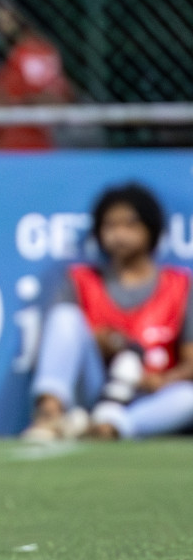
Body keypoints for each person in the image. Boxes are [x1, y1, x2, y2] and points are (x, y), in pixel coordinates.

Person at [23, 183, 193, 441]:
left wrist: (160, 380)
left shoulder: (180, 286)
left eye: (129, 225)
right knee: (64, 317)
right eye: (110, 226)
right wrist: (101, 342)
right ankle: (50, 414)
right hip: (94, 390)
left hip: (147, 397)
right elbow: (60, 344)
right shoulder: (81, 280)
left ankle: (110, 428)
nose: (119, 235)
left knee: (187, 398)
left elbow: (190, 362)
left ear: (151, 228)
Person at [0, 0, 70, 150]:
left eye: (2, 15)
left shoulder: (30, 52)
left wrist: (15, 99)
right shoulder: (32, 50)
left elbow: (50, 97)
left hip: (26, 143)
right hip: (21, 141)